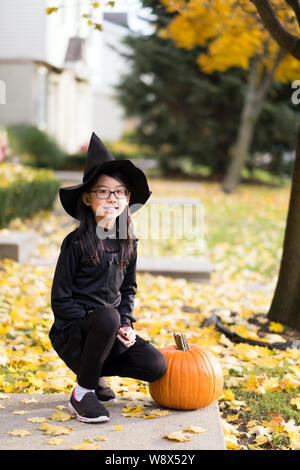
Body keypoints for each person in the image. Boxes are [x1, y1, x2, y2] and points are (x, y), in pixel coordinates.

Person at [49, 132, 167, 423]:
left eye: (119, 192)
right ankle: (83, 391)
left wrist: (125, 324)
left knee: (155, 364)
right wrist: (103, 320)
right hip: (74, 333)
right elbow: (60, 299)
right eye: (103, 192)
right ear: (88, 199)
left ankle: (95, 371)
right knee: (105, 318)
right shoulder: (75, 243)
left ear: (127, 199)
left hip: (109, 331)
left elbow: (128, 289)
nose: (112, 198)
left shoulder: (128, 242)